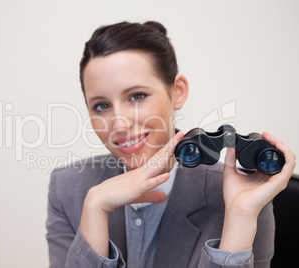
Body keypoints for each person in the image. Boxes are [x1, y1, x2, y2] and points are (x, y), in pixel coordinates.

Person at [46, 21, 296, 268]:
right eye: (102, 105)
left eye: (137, 96)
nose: (119, 125)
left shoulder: (246, 196)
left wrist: (239, 217)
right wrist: (95, 206)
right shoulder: (67, 189)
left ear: (177, 92)